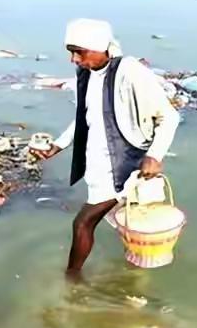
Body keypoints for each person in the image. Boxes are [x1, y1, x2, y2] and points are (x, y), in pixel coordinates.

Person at [32, 19, 179, 276]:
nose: (74, 59)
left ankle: (72, 280)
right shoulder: (87, 75)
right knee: (131, 224)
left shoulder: (129, 72)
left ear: (100, 47)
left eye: (79, 52)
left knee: (83, 222)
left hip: (125, 163)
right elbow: (86, 116)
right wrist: (59, 144)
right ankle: (135, 276)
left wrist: (155, 155)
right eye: (71, 52)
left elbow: (169, 116)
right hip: (99, 162)